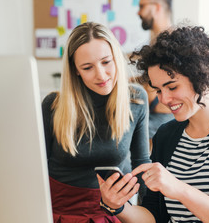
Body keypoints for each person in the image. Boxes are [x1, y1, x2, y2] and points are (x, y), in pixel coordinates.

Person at [97, 26, 209, 222]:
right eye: (158, 90)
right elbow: (153, 217)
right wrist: (117, 206)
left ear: (200, 76)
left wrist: (179, 189)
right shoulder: (166, 136)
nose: (164, 99)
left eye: (172, 86)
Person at [42, 22, 151, 222]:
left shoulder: (136, 99)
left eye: (106, 62)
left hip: (113, 210)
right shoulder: (53, 105)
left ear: (116, 58)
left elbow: (141, 163)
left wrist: (147, 213)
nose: (101, 75)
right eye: (87, 67)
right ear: (75, 70)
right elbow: (37, 167)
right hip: (59, 211)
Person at [136, 0, 174, 147]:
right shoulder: (154, 41)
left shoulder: (173, 42)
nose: (138, 12)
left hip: (162, 119)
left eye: (142, 6)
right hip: (151, 116)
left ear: (157, 7)